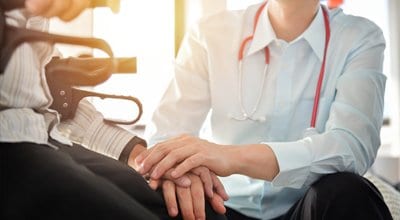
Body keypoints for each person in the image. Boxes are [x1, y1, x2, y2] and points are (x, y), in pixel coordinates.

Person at [135, 0, 394, 219]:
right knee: (166, 189)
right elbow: (165, 137)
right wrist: (185, 172)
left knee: (348, 190)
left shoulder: (360, 37)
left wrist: (229, 157)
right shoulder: (210, 34)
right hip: (221, 204)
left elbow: (351, 147)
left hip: (307, 208)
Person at [0, 1, 228, 219]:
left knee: (203, 211)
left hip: (43, 136)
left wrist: (149, 160)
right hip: (9, 144)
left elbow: (46, 99)